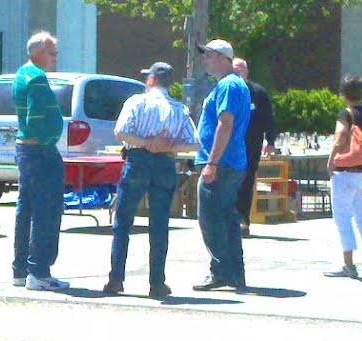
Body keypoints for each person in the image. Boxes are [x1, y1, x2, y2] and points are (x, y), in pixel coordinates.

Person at [104, 62, 199, 299]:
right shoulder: (179, 109)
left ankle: (116, 279)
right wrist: (169, 146)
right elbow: (195, 143)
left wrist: (146, 143)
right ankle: (157, 283)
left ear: (151, 80)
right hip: (165, 162)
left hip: (138, 160)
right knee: (159, 224)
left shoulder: (136, 102)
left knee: (123, 221)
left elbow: (120, 131)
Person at [192, 39, 253, 292]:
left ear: (221, 58)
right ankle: (235, 273)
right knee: (227, 217)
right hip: (232, 162)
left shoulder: (228, 84)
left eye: (208, 55)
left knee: (210, 217)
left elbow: (225, 123)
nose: (205, 60)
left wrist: (212, 163)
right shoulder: (234, 84)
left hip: (222, 163)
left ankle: (221, 271)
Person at [11, 32, 70, 291]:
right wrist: (50, 139)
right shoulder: (36, 78)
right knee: (46, 212)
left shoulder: (21, 74)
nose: (55, 59)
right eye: (52, 53)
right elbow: (36, 119)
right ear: (37, 53)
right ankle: (40, 271)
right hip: (39, 151)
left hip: (26, 151)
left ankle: (20, 269)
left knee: (26, 210)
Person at [323, 76, 362, 279]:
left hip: (346, 174)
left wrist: (332, 159)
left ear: (343, 95)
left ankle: (349, 265)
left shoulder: (346, 114)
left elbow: (341, 136)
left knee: (342, 219)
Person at [232, 58, 277, 237]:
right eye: (234, 72)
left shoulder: (258, 93)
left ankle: (243, 219)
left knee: (246, 181)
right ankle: (228, 219)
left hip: (251, 145)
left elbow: (269, 118)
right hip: (229, 145)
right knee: (228, 181)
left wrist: (271, 141)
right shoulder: (226, 91)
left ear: (247, 72)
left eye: (240, 71)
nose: (238, 75)